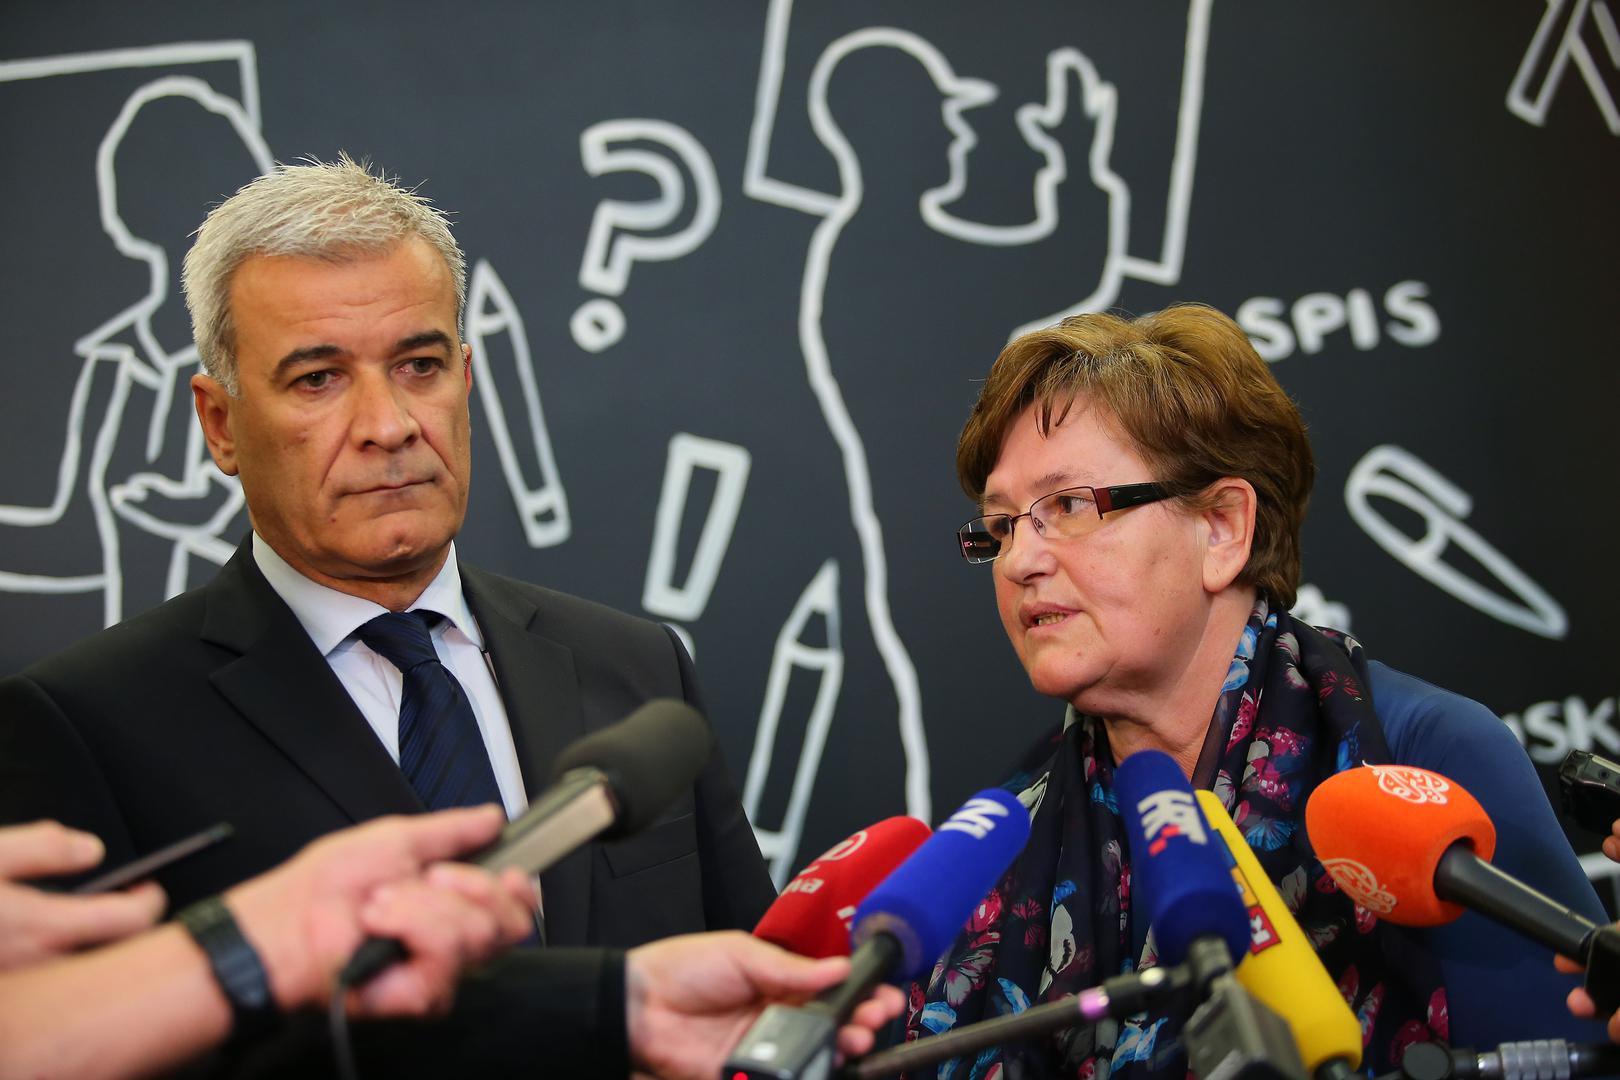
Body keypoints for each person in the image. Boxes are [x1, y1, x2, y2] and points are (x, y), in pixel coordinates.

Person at [0, 156, 774, 1074]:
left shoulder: (635, 665)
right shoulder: (90, 724)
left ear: (466, 379)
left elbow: (757, 999)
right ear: (220, 423)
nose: (390, 424)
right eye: (318, 379)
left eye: (419, 366)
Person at [905, 305, 1605, 1076]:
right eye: (1001, 526)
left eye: (1068, 506)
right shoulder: (998, 840)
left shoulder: (1426, 758)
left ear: (1222, 527)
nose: (1018, 561)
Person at [0, 815, 902, 1080]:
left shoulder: (634, 660)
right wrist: (253, 948)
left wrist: (619, 1002)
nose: (390, 431)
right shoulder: (81, 706)